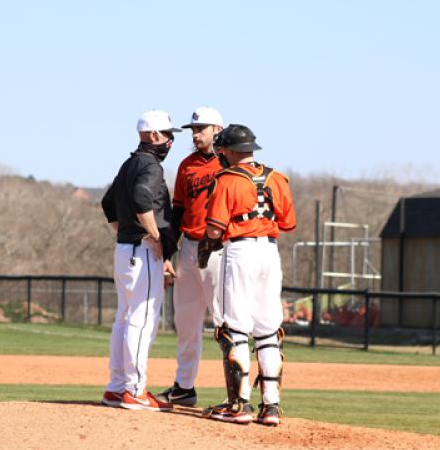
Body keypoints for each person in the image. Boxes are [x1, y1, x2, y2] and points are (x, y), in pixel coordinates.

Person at [199, 124, 296, 426]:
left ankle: (239, 405)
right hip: (269, 251)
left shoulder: (226, 180)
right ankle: (271, 407)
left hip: (239, 251)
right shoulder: (277, 178)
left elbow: (215, 228)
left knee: (234, 328)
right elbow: (289, 222)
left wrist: (206, 243)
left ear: (228, 151)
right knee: (268, 330)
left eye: (221, 150)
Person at [100, 109, 180, 411]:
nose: (171, 141)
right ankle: (134, 390)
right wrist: (155, 238)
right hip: (143, 250)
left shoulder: (130, 162)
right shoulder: (150, 166)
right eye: (169, 135)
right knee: (142, 321)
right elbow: (141, 198)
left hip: (125, 250)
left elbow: (108, 203)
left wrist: (126, 233)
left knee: (124, 318)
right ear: (157, 136)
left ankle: (116, 387)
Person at [156, 107, 224, 407]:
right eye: (194, 129)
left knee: (225, 321)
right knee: (186, 322)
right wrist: (167, 253)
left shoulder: (230, 163)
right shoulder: (187, 166)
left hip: (220, 249)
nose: (196, 134)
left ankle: (237, 393)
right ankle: (184, 387)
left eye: (202, 128)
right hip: (188, 249)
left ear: (217, 130)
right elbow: (178, 212)